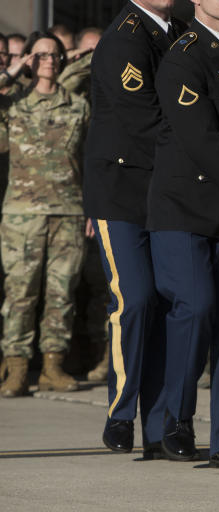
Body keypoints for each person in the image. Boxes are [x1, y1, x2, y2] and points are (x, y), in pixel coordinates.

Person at [148, 0, 219, 468]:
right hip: (184, 209)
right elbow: (203, 138)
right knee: (196, 307)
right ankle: (176, 418)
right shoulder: (182, 57)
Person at [86, 0, 186, 456]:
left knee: (170, 302)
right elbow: (146, 120)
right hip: (123, 193)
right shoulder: (126, 39)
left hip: (166, 192)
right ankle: (121, 413)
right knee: (136, 298)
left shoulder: (181, 34)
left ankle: (163, 426)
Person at [0, 32, 89, 397]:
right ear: (29, 61)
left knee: (61, 293)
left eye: (54, 55)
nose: (48, 61)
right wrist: (11, 72)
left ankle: (53, 365)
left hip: (68, 210)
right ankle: (17, 368)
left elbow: (91, 159)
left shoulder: (79, 106)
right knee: (20, 293)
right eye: (40, 56)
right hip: (22, 215)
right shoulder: (13, 104)